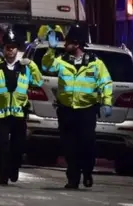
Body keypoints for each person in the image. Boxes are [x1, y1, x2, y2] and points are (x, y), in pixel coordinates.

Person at [43, 25, 112, 189]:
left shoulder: (95, 64)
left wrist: (106, 102)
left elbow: (105, 83)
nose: (64, 44)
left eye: (68, 41)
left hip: (86, 110)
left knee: (87, 144)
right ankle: (73, 179)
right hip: (66, 110)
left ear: (77, 43)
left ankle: (87, 171)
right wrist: (50, 50)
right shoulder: (62, 61)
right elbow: (46, 66)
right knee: (69, 147)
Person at [0, 29, 43, 185]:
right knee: (2, 146)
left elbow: (38, 82)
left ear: (17, 49)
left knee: (18, 147)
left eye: (13, 47)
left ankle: (14, 167)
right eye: (7, 47)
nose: (10, 49)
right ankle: (3, 174)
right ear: (3, 48)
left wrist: (32, 65)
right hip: (0, 114)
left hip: (18, 114)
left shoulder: (25, 66)